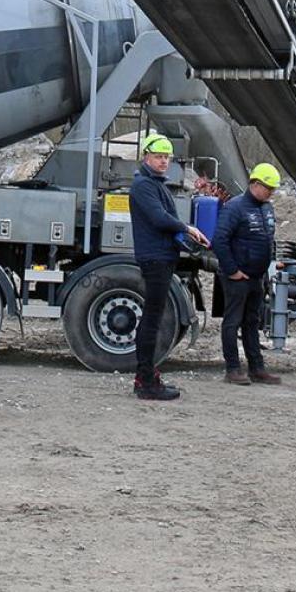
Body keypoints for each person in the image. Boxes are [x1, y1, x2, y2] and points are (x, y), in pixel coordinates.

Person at [127, 134, 209, 402]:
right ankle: (146, 382)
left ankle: (147, 376)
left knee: (154, 317)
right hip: (155, 258)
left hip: (161, 256)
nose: (163, 162)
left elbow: (165, 221)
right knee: (152, 320)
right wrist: (187, 228)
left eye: (167, 157)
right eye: (158, 156)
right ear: (146, 156)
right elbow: (159, 218)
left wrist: (185, 237)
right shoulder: (143, 186)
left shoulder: (155, 184)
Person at [213, 162, 284, 385]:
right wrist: (233, 271)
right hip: (238, 277)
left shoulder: (266, 208)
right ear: (254, 184)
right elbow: (219, 241)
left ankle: (257, 368)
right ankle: (232, 368)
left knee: (252, 322)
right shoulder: (234, 207)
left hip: (257, 276)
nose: (271, 193)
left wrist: (269, 267)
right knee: (232, 322)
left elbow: (268, 240)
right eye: (268, 188)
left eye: (273, 189)